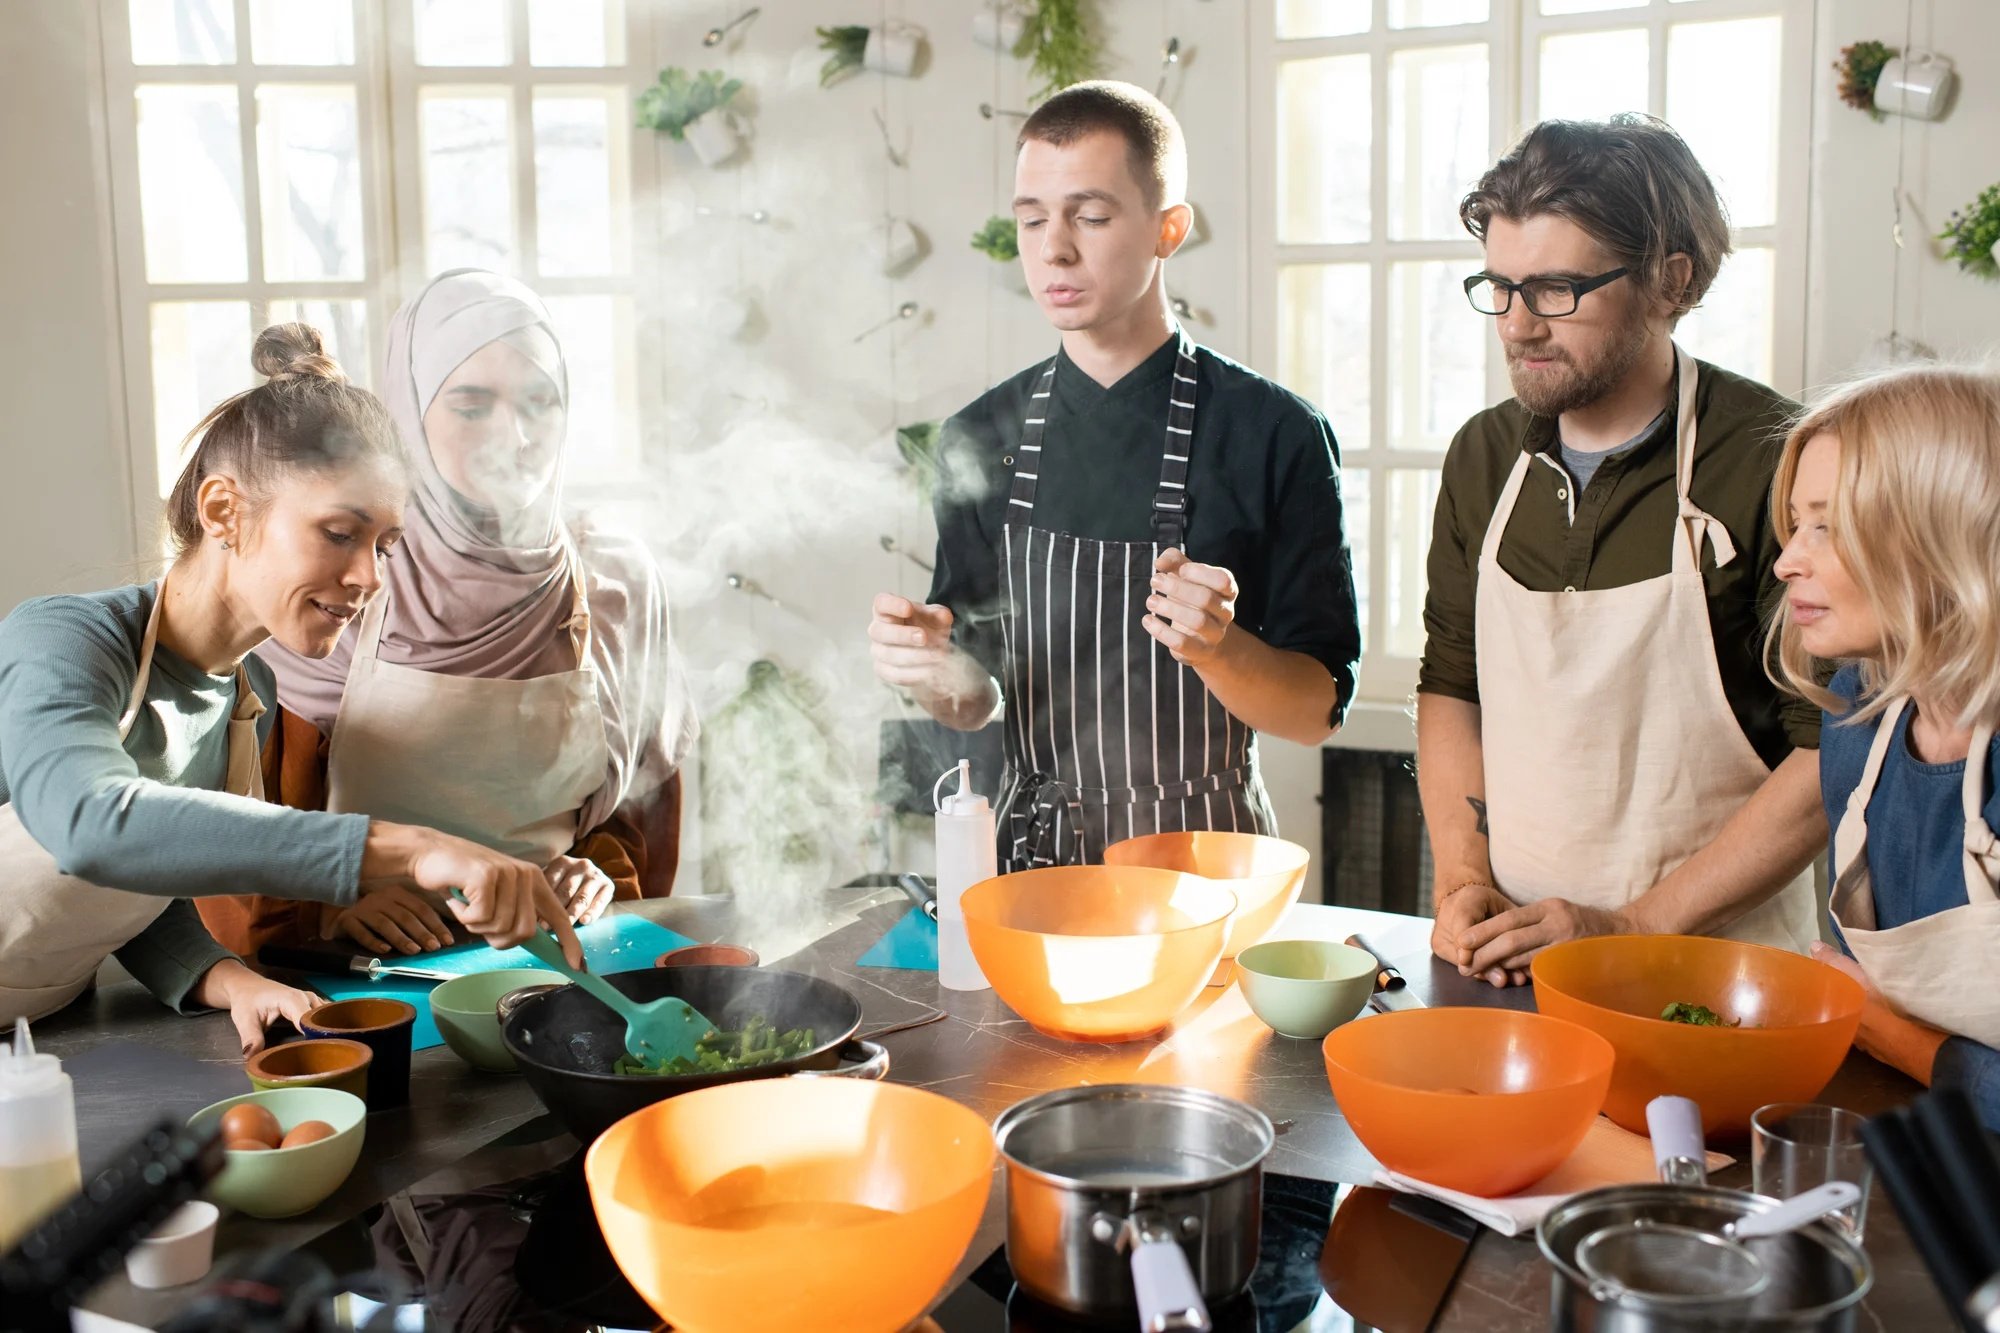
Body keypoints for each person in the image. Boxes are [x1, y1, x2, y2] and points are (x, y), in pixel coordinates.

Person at [0, 324, 581, 1049]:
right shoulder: (64, 640)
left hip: (43, 1032)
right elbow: (89, 826)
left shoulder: (251, 695)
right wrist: (414, 848)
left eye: (385, 546)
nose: (371, 577)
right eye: (339, 533)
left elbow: (138, 890)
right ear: (223, 511)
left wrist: (233, 981)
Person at [868, 81, 1359, 868]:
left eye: (1090, 216)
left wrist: (1218, 648)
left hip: (1206, 868)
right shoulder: (979, 437)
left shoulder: (1275, 433)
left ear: (1169, 229)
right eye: (1032, 219)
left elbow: (1315, 712)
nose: (1054, 249)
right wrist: (929, 670)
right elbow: (978, 699)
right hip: (1034, 866)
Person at [1419, 115, 1822, 987]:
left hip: (1720, 983)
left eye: (1557, 290)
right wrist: (1461, 879)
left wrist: (1633, 925)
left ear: (1670, 281)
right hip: (1514, 967)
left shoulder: (1776, 459)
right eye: (1500, 288)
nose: (1517, 326)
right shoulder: (1483, 458)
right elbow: (1451, 683)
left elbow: (1830, 755)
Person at [200, 271, 697, 962]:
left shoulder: (617, 580)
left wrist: (595, 872)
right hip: (371, 974)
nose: (514, 436)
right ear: (408, 414)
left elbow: (639, 810)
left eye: (540, 402)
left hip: (550, 954)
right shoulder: (333, 576)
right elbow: (231, 839)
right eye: (471, 405)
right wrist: (331, 908)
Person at [1769, 363, 2000, 1130]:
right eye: (1795, 523)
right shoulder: (1857, 718)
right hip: (1918, 1144)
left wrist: (1900, 1039)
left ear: (1944, 531)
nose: (1787, 559)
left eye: (1827, 525)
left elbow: (1870, 1017)